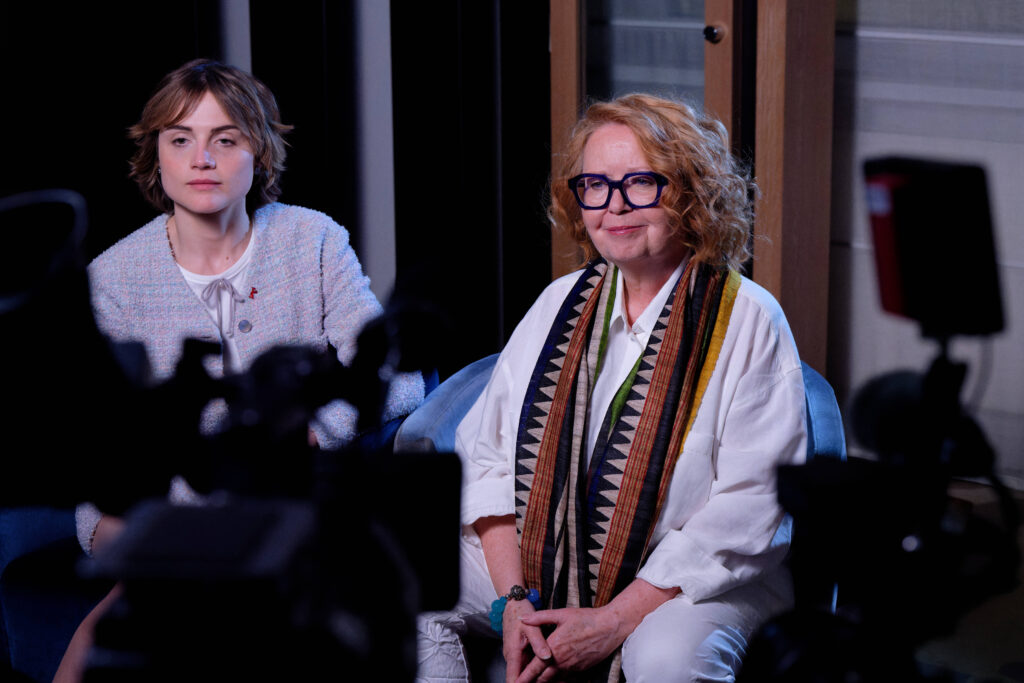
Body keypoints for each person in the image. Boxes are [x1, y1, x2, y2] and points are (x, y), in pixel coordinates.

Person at [54, 58, 424, 682]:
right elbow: (98, 447)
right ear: (157, 158)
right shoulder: (112, 279)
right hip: (170, 527)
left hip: (295, 513)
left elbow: (401, 379)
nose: (203, 159)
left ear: (257, 151)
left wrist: (312, 431)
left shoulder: (314, 240)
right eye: (181, 140)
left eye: (224, 140)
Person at [416, 94, 807, 683]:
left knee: (666, 660)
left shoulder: (750, 320)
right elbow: (488, 460)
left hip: (690, 578)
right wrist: (513, 600)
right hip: (545, 553)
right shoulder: (559, 303)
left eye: (642, 183)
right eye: (595, 185)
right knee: (399, 581)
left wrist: (615, 620)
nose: (615, 205)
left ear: (689, 192)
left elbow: (751, 512)